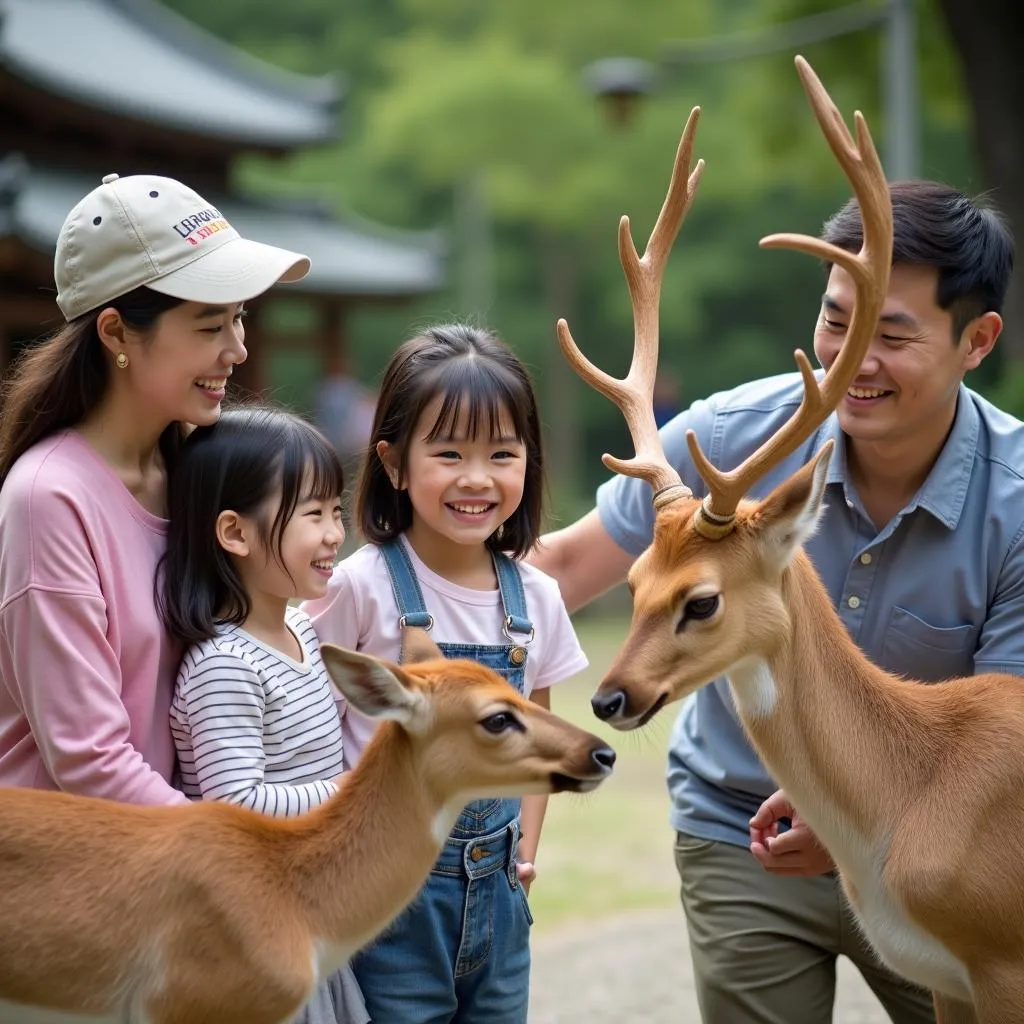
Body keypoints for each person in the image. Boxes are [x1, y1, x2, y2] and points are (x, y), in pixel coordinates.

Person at [530, 180, 1019, 1024]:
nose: (852, 359)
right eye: (837, 321)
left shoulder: (1016, 503)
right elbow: (562, 570)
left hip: (937, 841)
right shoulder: (725, 441)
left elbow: (1008, 732)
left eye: (890, 334)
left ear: (976, 342)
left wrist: (848, 814)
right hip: (735, 828)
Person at [303, 323, 589, 1024]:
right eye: (449, 452)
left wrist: (523, 854)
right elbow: (314, 731)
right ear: (395, 464)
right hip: (383, 900)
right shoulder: (358, 589)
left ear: (529, 461)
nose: (476, 478)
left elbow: (538, 736)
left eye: (501, 453)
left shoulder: (536, 598)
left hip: (498, 892)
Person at [0, 172, 308, 802]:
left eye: (239, 319)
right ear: (115, 332)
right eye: (208, 326)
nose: (238, 350)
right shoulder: (49, 498)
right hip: (73, 879)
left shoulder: (193, 471)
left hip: (167, 871)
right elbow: (90, 763)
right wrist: (246, 851)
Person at [160, 405, 368, 1024]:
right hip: (258, 935)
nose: (335, 533)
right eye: (313, 514)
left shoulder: (301, 627)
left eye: (336, 511)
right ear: (235, 533)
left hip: (309, 917)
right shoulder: (225, 664)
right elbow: (235, 806)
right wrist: (355, 793)